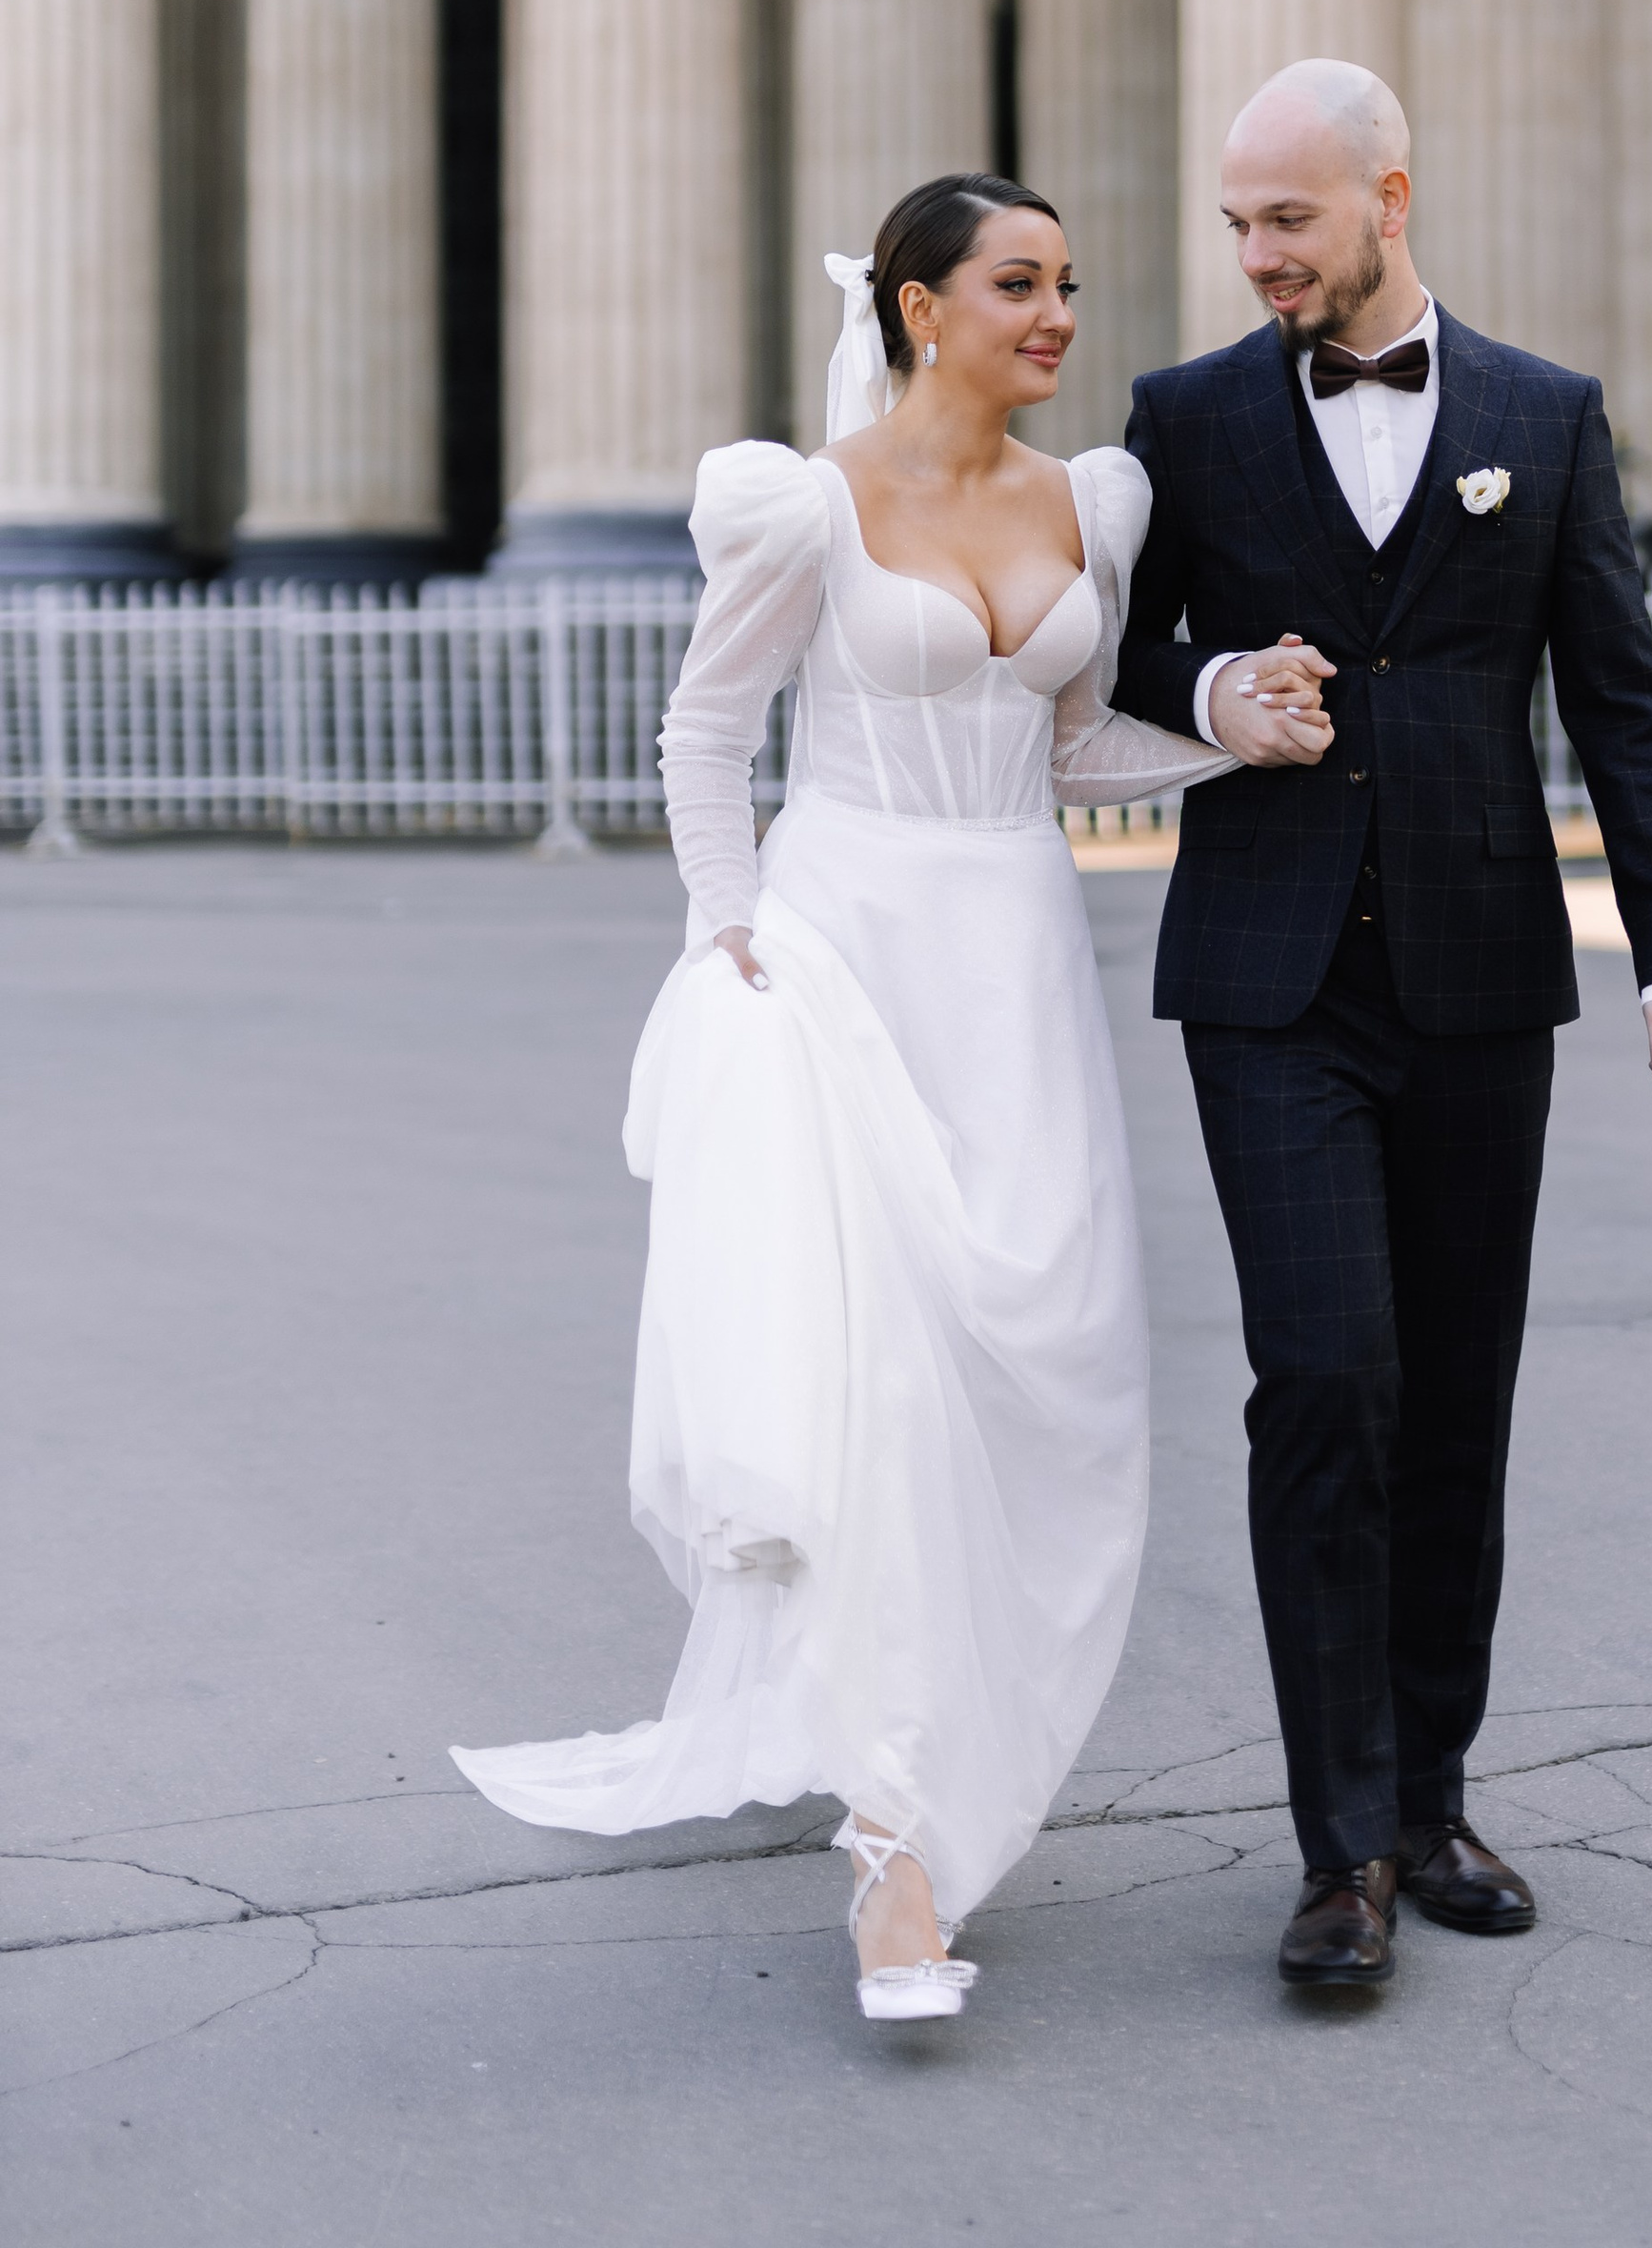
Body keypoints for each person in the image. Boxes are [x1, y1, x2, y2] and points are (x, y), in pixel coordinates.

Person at [450, 175, 1304, 2026]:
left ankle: (931, 1751)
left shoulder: (1097, 500)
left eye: (1068, 283)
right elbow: (704, 725)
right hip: (840, 955)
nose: (1057, 312)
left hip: (1012, 960)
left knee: (1046, 1369)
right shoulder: (805, 501)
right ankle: (892, 1853)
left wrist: (1220, 729)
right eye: (1017, 283)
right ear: (920, 308)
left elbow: (1070, 747)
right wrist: (728, 929)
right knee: (880, 1384)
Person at [1113, 60, 1652, 1989]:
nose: (1253, 255)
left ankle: (1430, 1795)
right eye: (1233, 224)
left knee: (1453, 1395)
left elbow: (1617, 698)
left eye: (1284, 219)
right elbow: (1112, 644)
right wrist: (1216, 695)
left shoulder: (1541, 419)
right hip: (1266, 983)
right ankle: (1334, 1851)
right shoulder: (1185, 419)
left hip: (1476, 981)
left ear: (1388, 196)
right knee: (1323, 1380)